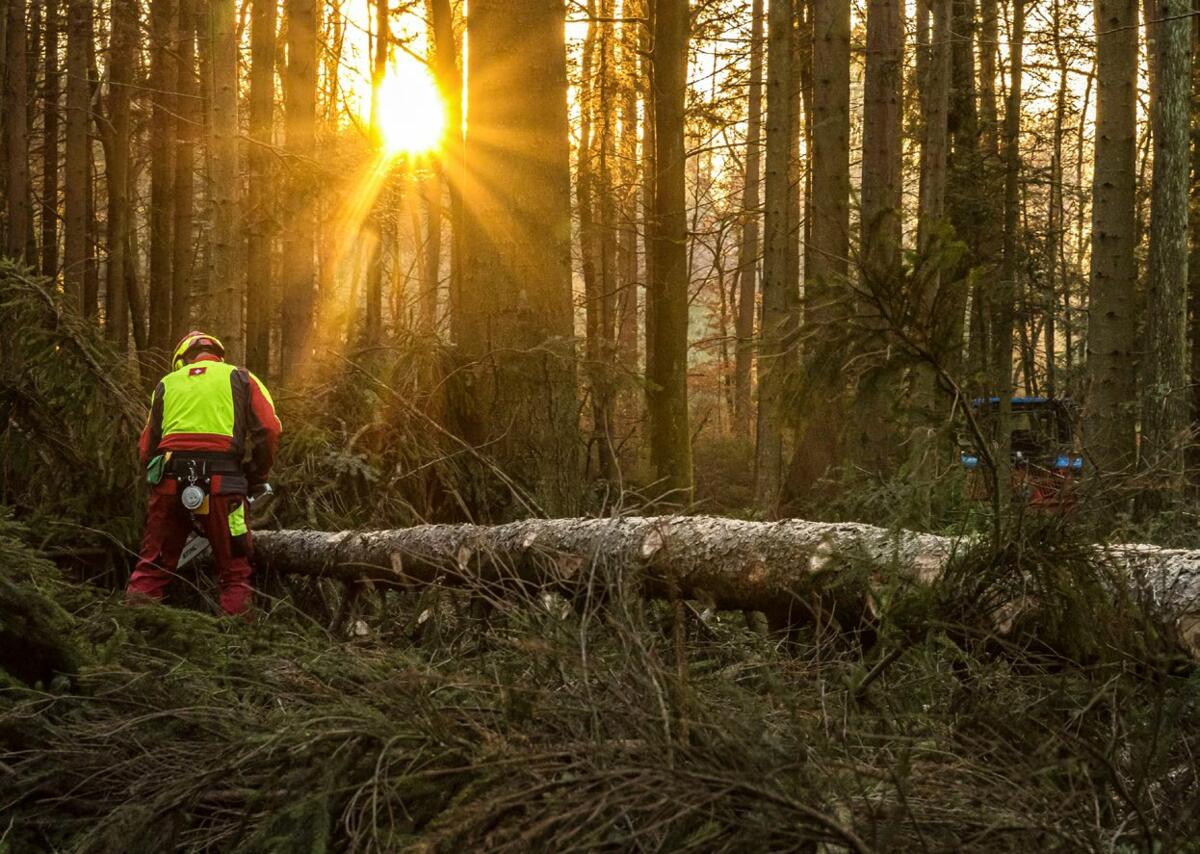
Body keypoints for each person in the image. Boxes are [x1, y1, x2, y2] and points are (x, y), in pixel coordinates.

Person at [127, 331, 282, 615]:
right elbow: (270, 429)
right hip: (225, 487)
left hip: (170, 485)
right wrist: (255, 476)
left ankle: (130, 639)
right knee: (235, 572)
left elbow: (146, 448)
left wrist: (159, 484)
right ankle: (237, 646)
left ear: (181, 359)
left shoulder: (166, 384)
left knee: (151, 568)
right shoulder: (242, 378)